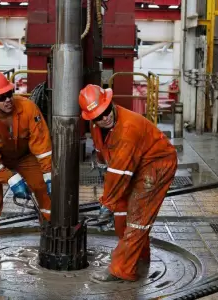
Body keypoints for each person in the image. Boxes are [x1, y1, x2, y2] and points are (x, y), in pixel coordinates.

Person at [78, 84, 177, 282]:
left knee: (138, 217)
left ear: (110, 103)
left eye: (106, 111)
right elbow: (103, 151)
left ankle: (121, 270)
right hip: (134, 163)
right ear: (91, 118)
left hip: (156, 164)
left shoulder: (128, 127)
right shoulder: (97, 124)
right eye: (98, 116)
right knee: (122, 211)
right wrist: (101, 165)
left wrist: (106, 203)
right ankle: (140, 256)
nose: (105, 117)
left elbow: (120, 173)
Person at [0, 70, 52, 259]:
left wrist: (48, 174)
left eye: (9, 93)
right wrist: (12, 180)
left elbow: (43, 146)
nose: (7, 99)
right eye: (0, 97)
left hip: (25, 155)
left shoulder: (29, 108)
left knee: (43, 187)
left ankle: (50, 230)